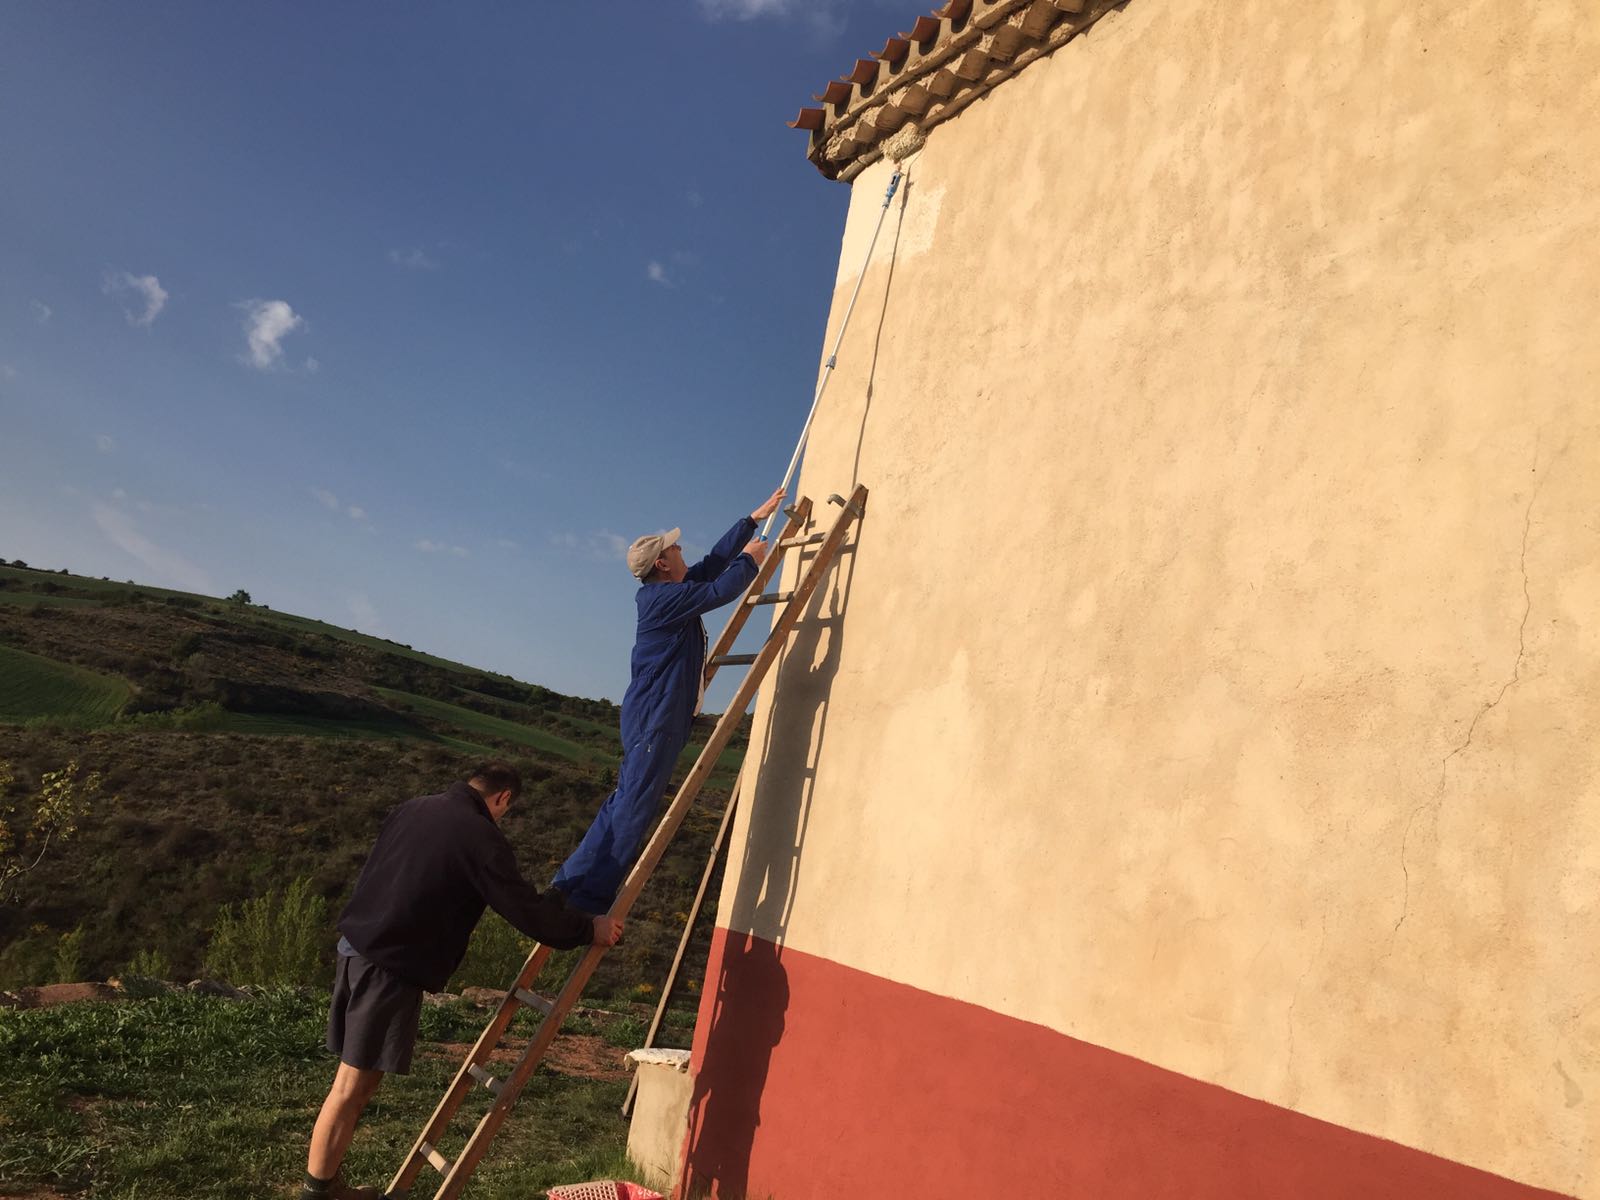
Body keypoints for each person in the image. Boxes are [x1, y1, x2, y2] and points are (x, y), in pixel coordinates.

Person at [301, 762, 623, 1200]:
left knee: (356, 1082)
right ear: (503, 797)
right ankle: (318, 1192)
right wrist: (588, 929)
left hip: (355, 946)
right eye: (507, 810)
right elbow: (525, 912)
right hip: (388, 964)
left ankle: (327, 1185)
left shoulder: (414, 807)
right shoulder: (479, 836)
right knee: (350, 1087)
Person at [552, 488, 785, 915]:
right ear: (662, 563)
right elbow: (721, 589)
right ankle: (588, 902)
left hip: (656, 717)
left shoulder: (668, 594)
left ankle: (567, 885)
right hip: (656, 719)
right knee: (634, 809)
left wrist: (751, 520)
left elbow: (712, 566)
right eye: (674, 548)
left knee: (623, 803)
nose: (681, 550)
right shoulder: (663, 601)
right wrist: (751, 560)